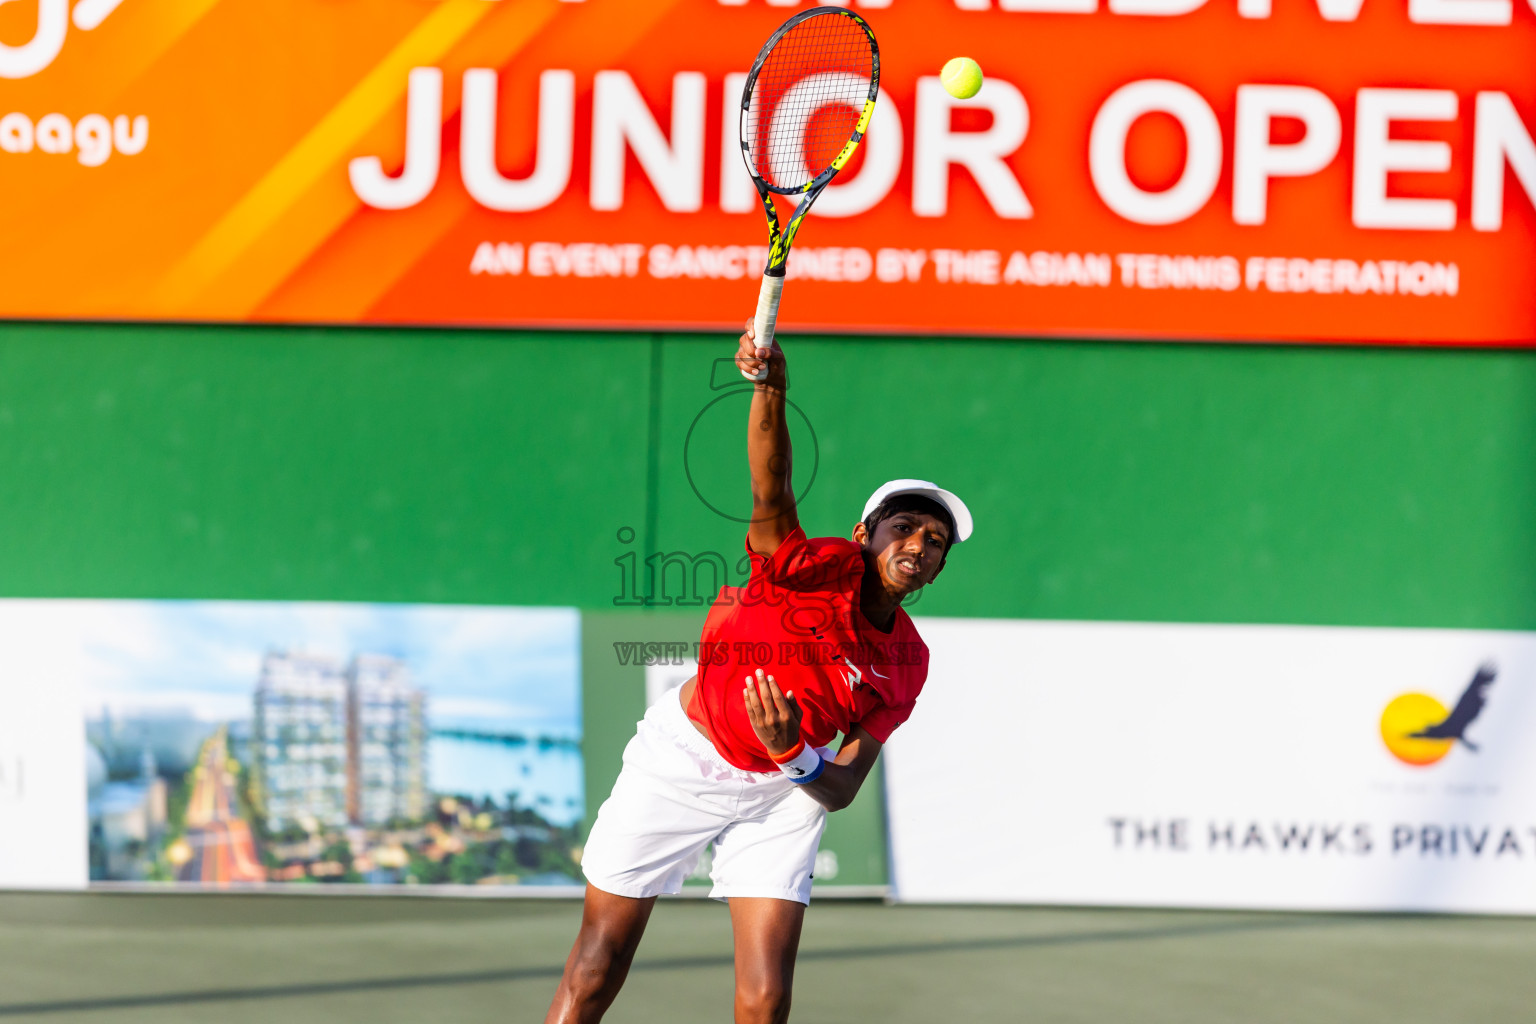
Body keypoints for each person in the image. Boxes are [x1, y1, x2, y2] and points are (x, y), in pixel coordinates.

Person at [544, 321, 973, 1024]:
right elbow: (770, 488)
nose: (919, 545)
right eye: (904, 527)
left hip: (784, 791)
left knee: (766, 998)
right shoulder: (810, 567)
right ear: (866, 536)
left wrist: (793, 754)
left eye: (935, 541)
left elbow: (839, 787)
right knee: (596, 965)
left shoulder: (907, 662)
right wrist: (771, 388)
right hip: (684, 758)